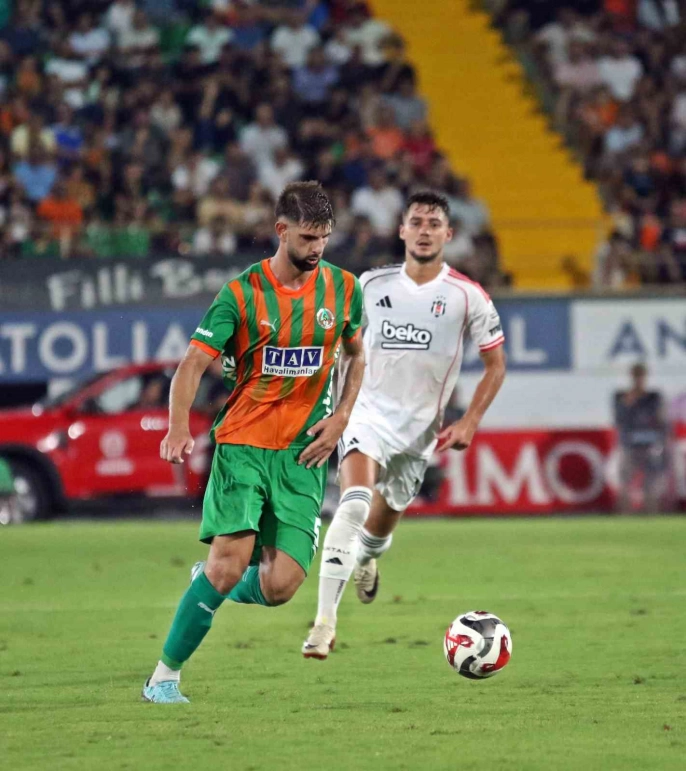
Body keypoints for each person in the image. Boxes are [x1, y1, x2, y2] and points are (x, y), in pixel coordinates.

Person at [142, 181, 365, 703]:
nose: (317, 248)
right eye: (307, 237)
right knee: (228, 564)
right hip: (243, 444)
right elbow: (192, 364)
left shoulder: (343, 288)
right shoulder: (241, 293)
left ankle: (209, 580)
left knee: (281, 585)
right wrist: (178, 425)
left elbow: (356, 355)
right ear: (281, 230)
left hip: (303, 454)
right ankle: (163, 678)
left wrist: (342, 417)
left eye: (324, 238)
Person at [302, 190, 507, 659]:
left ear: (448, 234)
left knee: (377, 532)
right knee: (352, 505)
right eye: (416, 222)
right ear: (401, 231)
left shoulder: (467, 296)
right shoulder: (369, 285)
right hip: (366, 414)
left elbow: (495, 365)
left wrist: (470, 420)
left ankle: (367, 559)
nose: (424, 231)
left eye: (434, 224)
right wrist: (336, 408)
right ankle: (324, 624)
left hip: (419, 433)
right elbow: (341, 347)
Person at [614, 363, 668, 513]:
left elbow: (659, 420)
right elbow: (619, 420)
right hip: (629, 446)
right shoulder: (621, 397)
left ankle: (652, 517)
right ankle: (624, 517)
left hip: (650, 446)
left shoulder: (653, 398)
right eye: (636, 376)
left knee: (651, 486)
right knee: (625, 484)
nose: (638, 380)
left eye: (641, 376)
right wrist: (627, 403)